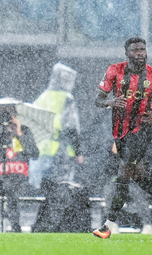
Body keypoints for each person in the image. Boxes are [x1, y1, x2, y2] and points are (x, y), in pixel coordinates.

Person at [93, 37, 152, 239]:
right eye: (135, 50)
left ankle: (108, 225)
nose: (140, 53)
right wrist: (111, 101)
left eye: (142, 49)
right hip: (120, 132)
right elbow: (98, 100)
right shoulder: (114, 71)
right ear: (127, 53)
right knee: (136, 175)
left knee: (124, 173)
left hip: (142, 130)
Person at [30, 62, 84, 232]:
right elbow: (71, 127)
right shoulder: (66, 98)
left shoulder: (42, 97)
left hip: (42, 152)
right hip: (61, 153)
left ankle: (41, 225)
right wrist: (78, 151)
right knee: (60, 192)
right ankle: (51, 226)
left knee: (48, 192)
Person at [0, 103, 39, 232]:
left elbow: (34, 153)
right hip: (2, 175)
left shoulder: (25, 131)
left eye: (12, 114)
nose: (10, 118)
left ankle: (15, 227)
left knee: (12, 193)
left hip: (18, 178)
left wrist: (19, 133)